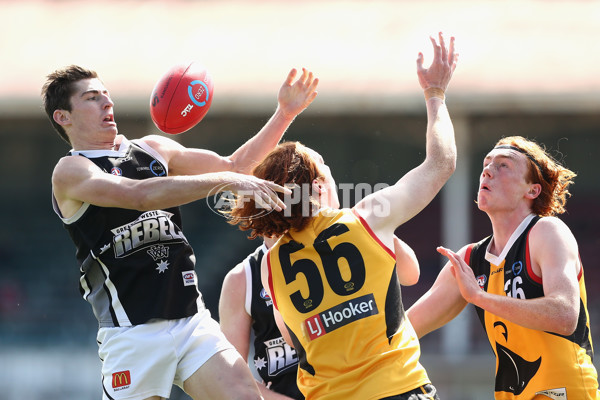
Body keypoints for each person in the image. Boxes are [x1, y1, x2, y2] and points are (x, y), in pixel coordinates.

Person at [41, 64, 318, 400]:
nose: (107, 104)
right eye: (92, 98)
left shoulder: (154, 148)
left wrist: (285, 113)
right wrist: (227, 182)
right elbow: (139, 196)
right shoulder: (71, 170)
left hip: (192, 323)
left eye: (107, 96)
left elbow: (236, 166)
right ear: (63, 117)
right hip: (133, 335)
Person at [228, 32, 458, 400]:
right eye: (326, 170)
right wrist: (435, 95)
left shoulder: (269, 267)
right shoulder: (365, 220)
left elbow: (294, 340)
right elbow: (441, 163)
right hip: (400, 389)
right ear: (318, 187)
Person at [407, 136, 600, 399]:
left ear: (532, 190)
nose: (487, 170)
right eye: (486, 164)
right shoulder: (471, 260)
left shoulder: (546, 231)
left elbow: (565, 316)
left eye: (503, 165)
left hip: (564, 392)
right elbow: (405, 329)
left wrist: (480, 298)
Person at [218, 235, 419, 400]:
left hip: (358, 391)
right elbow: (232, 379)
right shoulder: (242, 278)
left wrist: (372, 225)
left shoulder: (342, 240)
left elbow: (410, 275)